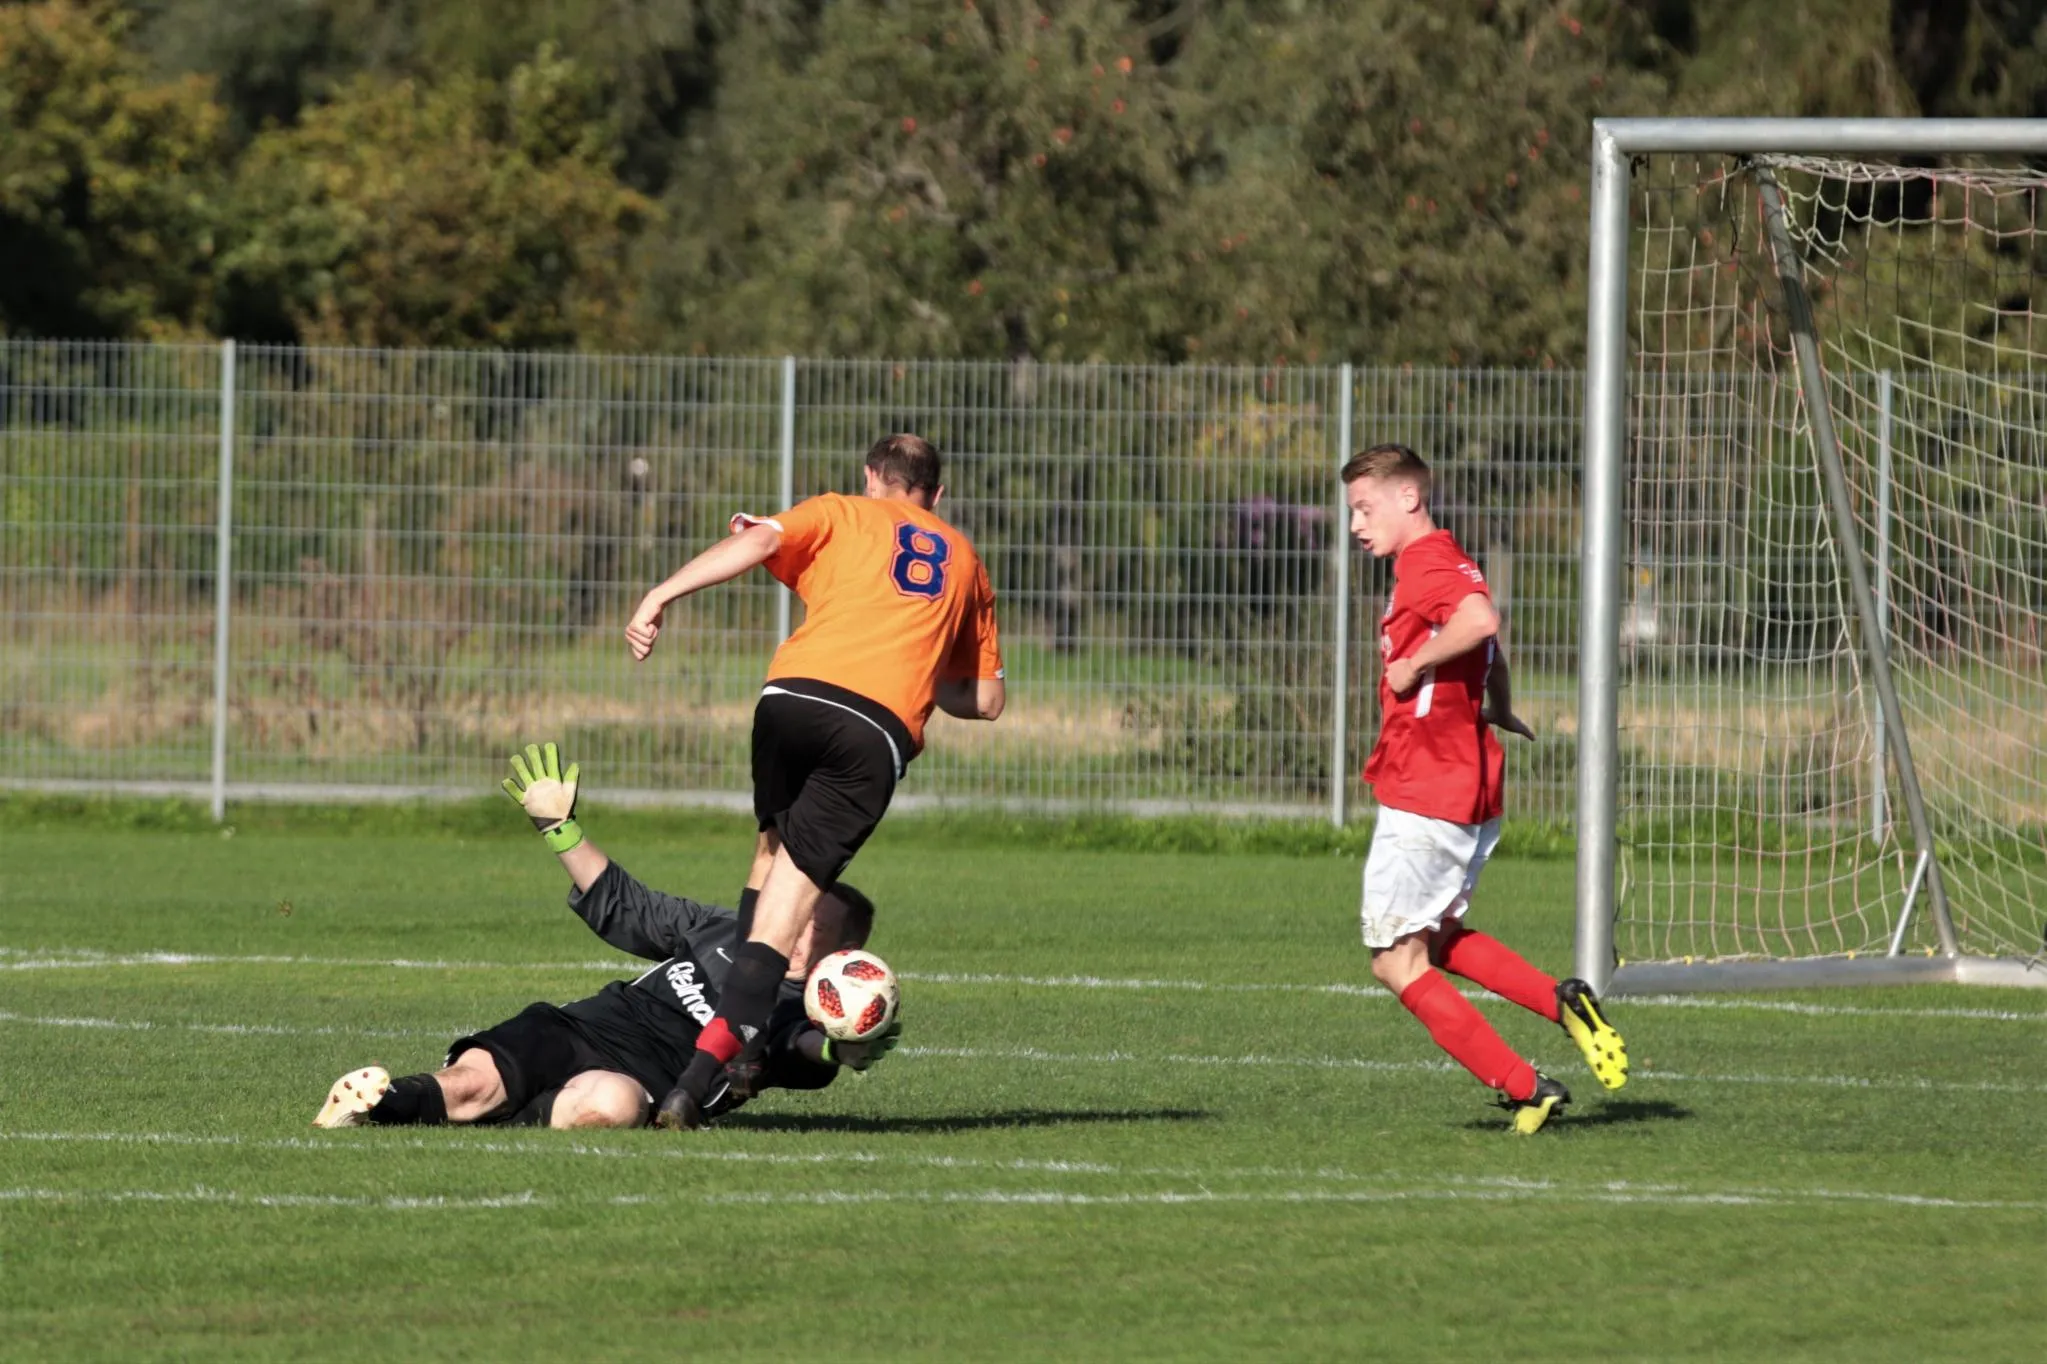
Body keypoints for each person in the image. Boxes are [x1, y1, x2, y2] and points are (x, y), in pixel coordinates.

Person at [624, 433, 1004, 1129]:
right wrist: (921, 666)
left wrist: (660, 595)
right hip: (871, 731)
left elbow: (759, 541)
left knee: (768, 853)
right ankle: (700, 1081)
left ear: (871, 478)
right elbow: (984, 699)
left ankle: (739, 1035)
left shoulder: (839, 510)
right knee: (786, 913)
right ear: (937, 494)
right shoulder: (965, 560)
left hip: (789, 698)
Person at [311, 743, 901, 1131]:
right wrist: (558, 827)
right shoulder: (725, 928)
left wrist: (838, 1049)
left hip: (642, 1082)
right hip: (579, 1029)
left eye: (815, 925)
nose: (795, 921)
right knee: (473, 1084)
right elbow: (628, 906)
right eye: (799, 907)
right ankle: (375, 1105)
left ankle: (498, 1120)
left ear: (839, 954)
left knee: (611, 1106)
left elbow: (802, 1054)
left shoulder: (800, 1011)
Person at [1343, 443, 1628, 1134]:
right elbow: (1487, 646)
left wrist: (1414, 663)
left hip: (1427, 785)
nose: (1355, 524)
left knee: (1395, 961)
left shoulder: (1425, 562)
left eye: (1364, 508)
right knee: (1437, 938)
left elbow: (1479, 622)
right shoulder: (1448, 556)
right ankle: (1561, 1002)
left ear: (1408, 497)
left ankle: (1526, 1087)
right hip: (1463, 782)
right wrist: (1499, 704)